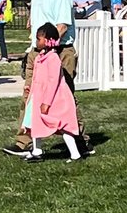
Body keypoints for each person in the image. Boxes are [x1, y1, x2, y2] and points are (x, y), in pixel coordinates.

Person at [2, 0, 88, 157]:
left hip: (58, 52)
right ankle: (24, 142)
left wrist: (47, 49)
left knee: (65, 98)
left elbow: (62, 26)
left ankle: (81, 141)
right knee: (30, 95)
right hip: (37, 52)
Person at [21, 23, 84, 163]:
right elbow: (37, 77)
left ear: (49, 41)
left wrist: (46, 103)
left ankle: (75, 154)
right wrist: (30, 88)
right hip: (38, 97)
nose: (37, 42)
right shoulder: (39, 58)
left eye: (39, 39)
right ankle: (37, 150)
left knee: (63, 126)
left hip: (55, 99)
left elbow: (53, 82)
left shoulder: (53, 59)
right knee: (34, 122)